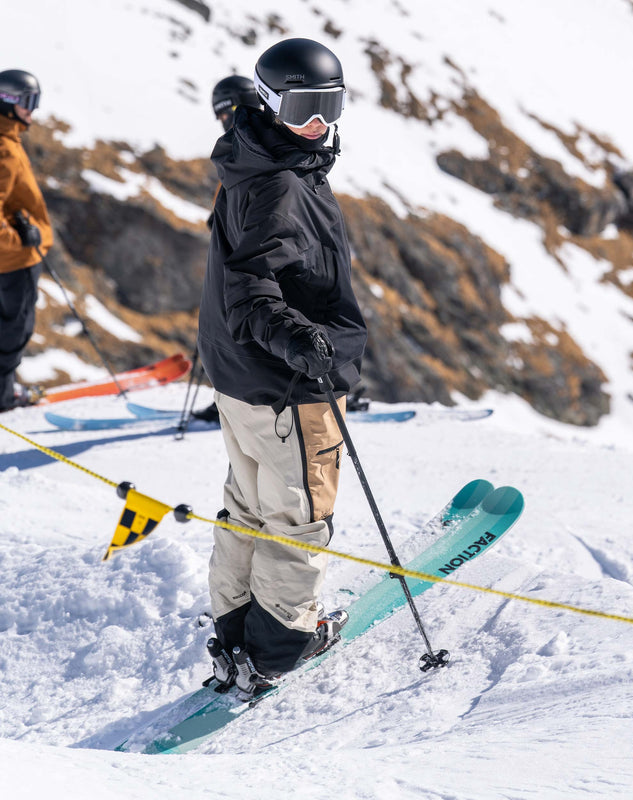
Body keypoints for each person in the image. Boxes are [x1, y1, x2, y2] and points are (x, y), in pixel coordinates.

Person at [198, 38, 368, 695]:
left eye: (330, 106)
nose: (320, 124)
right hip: (285, 387)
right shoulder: (281, 185)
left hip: (243, 382)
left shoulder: (256, 160)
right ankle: (280, 647)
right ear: (269, 103)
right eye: (304, 108)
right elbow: (253, 293)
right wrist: (302, 341)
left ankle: (237, 639)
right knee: (298, 517)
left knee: (249, 509)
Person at [191, 75, 263, 426]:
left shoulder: (250, 143)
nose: (223, 122)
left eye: (224, 114)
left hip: (248, 250)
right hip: (242, 242)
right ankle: (231, 395)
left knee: (238, 318)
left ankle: (237, 396)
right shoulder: (255, 141)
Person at [0, 69, 53, 412]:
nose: (32, 110)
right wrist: (19, 238)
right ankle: (4, 395)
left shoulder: (9, 137)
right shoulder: (3, 147)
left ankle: (5, 387)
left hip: (14, 256)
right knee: (14, 328)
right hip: (14, 260)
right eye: (28, 102)